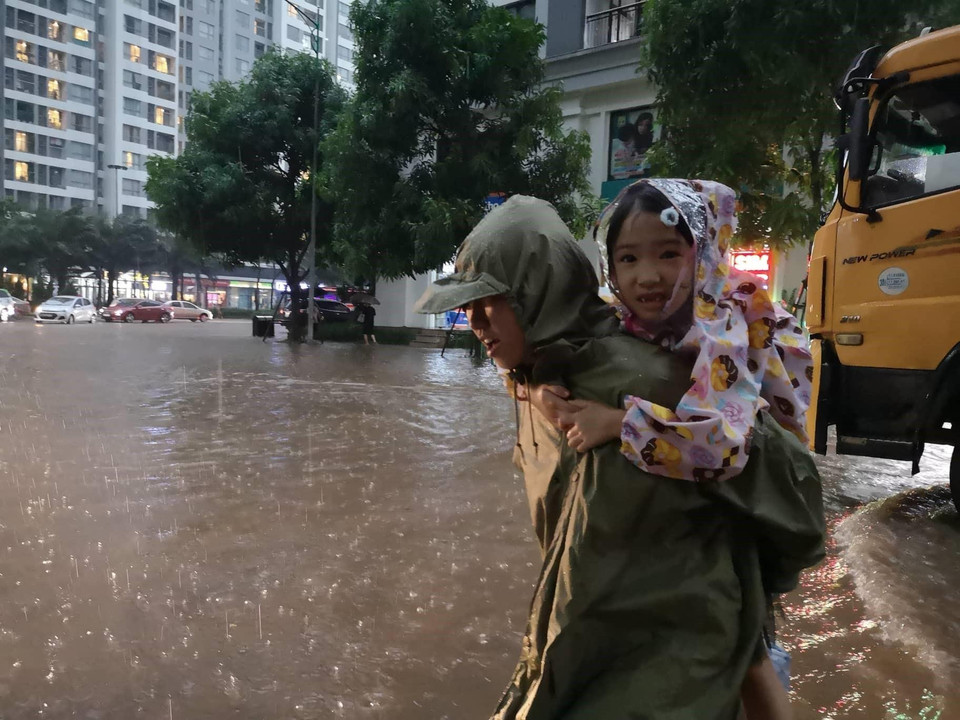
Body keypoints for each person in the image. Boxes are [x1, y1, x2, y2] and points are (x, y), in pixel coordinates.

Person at [415, 196, 824, 720]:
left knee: (753, 661)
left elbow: (792, 495)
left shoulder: (659, 382)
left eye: (488, 302)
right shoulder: (546, 372)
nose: (473, 322)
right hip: (615, 637)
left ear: (534, 297)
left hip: (672, 655)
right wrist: (533, 387)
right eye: (628, 259)